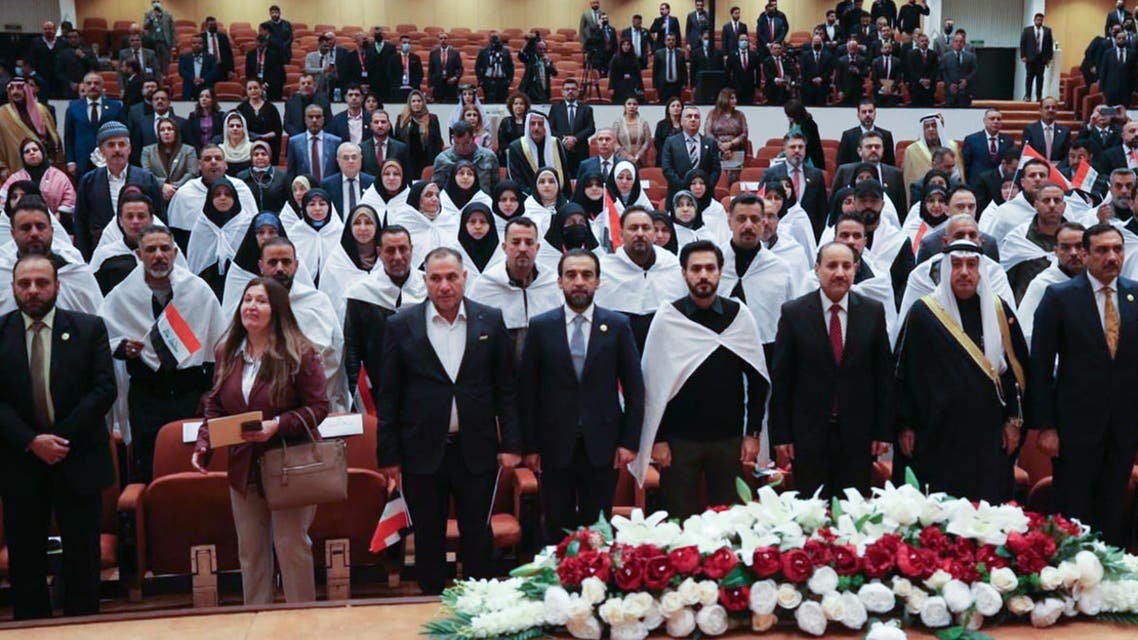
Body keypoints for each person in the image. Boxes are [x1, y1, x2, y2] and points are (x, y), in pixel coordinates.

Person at [377, 246, 520, 595]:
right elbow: (389, 396)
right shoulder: (400, 324)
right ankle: (430, 605)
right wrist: (389, 456)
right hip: (420, 451)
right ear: (424, 281)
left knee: (477, 533)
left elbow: (506, 389)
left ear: (464, 277)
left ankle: (479, 607)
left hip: (477, 448)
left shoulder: (491, 320)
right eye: (436, 278)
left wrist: (512, 443)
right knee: (427, 535)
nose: (444, 286)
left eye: (451, 277)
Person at [192, 276, 327, 605]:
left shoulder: (300, 352)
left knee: (291, 547)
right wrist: (204, 443)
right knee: (251, 553)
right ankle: (257, 620)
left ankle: (302, 621)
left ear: (277, 309)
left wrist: (277, 425)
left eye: (261, 301)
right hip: (244, 464)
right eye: (247, 299)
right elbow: (215, 404)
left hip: (289, 463)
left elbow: (319, 407)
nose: (251, 306)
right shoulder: (227, 351)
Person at [0, 252, 115, 620]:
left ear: (57, 286)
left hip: (76, 456)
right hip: (20, 460)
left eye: (41, 282)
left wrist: (56, 440)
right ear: (13, 288)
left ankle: (84, 628)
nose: (33, 290)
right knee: (25, 558)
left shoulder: (89, 329)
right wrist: (33, 442)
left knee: (82, 556)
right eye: (25, 284)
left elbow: (103, 390)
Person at [630, 240, 768, 517]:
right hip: (678, 443)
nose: (703, 275)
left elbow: (758, 380)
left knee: (730, 522)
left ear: (720, 271)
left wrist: (752, 433)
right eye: (696, 269)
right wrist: (658, 439)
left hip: (729, 440)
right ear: (684, 273)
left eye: (710, 268)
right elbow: (652, 384)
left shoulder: (738, 316)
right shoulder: (668, 318)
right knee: (680, 521)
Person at [895, 240, 1028, 503]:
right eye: (956, 265)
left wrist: (1014, 421)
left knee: (985, 510)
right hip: (935, 433)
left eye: (971, 265)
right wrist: (904, 425)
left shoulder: (998, 310)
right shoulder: (924, 312)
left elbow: (1015, 372)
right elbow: (905, 374)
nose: (964, 272)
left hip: (987, 434)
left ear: (981, 271)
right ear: (946, 270)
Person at [1030, 223, 1138, 545]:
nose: (1112, 257)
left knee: (1113, 511)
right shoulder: (1060, 297)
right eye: (1102, 250)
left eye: (1117, 249)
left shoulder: (1135, 295)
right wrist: (1046, 426)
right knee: (1073, 515)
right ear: (1086, 254)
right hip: (1075, 430)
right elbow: (1040, 366)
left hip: (1123, 429)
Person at [100, 224, 224, 481]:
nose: (159, 255)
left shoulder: (197, 290)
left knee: (192, 464)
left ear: (175, 252)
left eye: (165, 248)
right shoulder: (122, 295)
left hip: (190, 393)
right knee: (149, 466)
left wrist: (210, 393)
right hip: (147, 394)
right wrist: (123, 348)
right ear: (139, 255)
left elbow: (218, 344)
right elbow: (104, 339)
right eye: (151, 250)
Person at [772, 245, 892, 497]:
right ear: (817, 269)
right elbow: (782, 380)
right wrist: (782, 435)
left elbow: (883, 377)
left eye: (846, 266)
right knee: (811, 511)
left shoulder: (872, 312)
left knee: (854, 510)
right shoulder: (794, 313)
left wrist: (882, 431)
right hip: (808, 435)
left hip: (858, 435)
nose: (840, 273)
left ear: (855, 270)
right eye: (832, 266)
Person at [595, 207, 686, 349]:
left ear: (654, 233)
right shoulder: (604, 270)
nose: (640, 233)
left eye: (646, 228)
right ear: (621, 234)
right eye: (633, 228)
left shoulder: (672, 265)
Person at [74, 122, 165, 260]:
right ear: (101, 151)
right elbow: (81, 222)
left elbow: (159, 217)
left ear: (129, 148)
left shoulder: (146, 179)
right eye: (111, 145)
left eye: (121, 144)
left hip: (141, 250)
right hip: (101, 251)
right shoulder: (89, 181)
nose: (117, 150)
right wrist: (84, 259)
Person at [1018, 222, 1086, 343]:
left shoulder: (1098, 280)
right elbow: (1026, 333)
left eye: (1079, 246)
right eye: (1066, 248)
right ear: (1056, 251)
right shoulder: (1042, 285)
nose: (1073, 253)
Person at [1000, 182, 1068, 302]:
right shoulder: (1019, 238)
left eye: (1057, 201)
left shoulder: (1076, 238)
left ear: (1064, 206)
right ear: (1036, 204)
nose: (1052, 205)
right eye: (1046, 200)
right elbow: (1004, 279)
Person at [763, 132, 826, 238]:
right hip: (779, 230)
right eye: (793, 147)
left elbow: (822, 209)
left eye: (800, 147)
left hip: (809, 231)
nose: (797, 150)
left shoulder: (816, 175)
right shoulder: (771, 173)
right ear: (784, 149)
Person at [64, 73, 125, 178]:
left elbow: (122, 135)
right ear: (84, 86)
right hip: (82, 161)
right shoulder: (73, 107)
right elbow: (69, 137)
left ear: (102, 86)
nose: (93, 86)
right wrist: (70, 161)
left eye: (96, 83)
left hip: (109, 158)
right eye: (89, 83)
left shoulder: (115, 107)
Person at [1, 139, 76, 222]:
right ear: (23, 157)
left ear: (42, 153)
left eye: (35, 149)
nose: (32, 153)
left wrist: (56, 218)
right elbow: (2, 199)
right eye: (27, 151)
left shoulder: (59, 176)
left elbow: (70, 199)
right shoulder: (16, 178)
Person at [0, 78, 61, 178]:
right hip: (15, 169)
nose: (15, 92)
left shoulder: (42, 110)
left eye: (19, 88)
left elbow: (53, 136)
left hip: (44, 166)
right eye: (12, 89)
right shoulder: (2, 114)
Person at [661, 106, 721, 201]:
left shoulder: (710, 143)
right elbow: (667, 169)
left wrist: (704, 186)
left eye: (696, 117)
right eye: (689, 116)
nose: (693, 119)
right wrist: (685, 187)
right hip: (678, 195)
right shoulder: (671, 142)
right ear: (681, 121)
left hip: (705, 196)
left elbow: (716, 169)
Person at [507, 111, 570, 199]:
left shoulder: (556, 143)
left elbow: (565, 175)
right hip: (529, 199)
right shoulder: (516, 147)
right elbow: (517, 180)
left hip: (557, 197)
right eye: (532, 124)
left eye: (540, 124)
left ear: (545, 128)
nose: (536, 128)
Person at [902, 113, 963, 203]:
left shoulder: (952, 146)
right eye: (927, 127)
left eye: (934, 126)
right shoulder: (912, 150)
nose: (931, 129)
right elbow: (908, 180)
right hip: (921, 195)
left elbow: (959, 174)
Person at [432, 120, 499, 196]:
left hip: (482, 200)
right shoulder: (443, 159)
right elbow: (436, 189)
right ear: (453, 138)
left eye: (466, 143)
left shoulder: (488, 156)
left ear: (473, 138)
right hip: (451, 201)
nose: (461, 148)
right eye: (457, 143)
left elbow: (496, 188)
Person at [141, 116, 199, 201]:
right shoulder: (147, 151)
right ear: (158, 134)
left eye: (169, 129)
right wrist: (163, 185)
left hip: (183, 194)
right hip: (156, 195)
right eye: (162, 130)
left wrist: (174, 188)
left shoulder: (189, 150)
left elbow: (192, 173)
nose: (166, 132)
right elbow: (146, 174)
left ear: (176, 132)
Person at [548, 79, 595, 177]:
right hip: (561, 150)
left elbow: (591, 128)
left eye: (573, 89)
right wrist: (563, 139)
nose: (570, 91)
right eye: (567, 89)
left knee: (582, 179)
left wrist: (575, 138)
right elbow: (550, 128)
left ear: (578, 91)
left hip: (581, 151)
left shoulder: (586, 109)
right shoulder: (555, 108)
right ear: (562, 92)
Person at [394, 90, 442, 182]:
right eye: (413, 101)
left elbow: (437, 142)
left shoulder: (432, 119)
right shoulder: (402, 119)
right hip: (408, 161)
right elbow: (397, 140)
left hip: (427, 160)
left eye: (419, 101)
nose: (416, 103)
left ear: (423, 102)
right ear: (409, 103)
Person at [287, 105, 341, 183]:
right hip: (304, 188)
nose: (314, 120)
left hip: (329, 188)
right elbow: (291, 172)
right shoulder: (294, 142)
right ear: (305, 119)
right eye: (310, 117)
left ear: (323, 119)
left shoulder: (335, 142)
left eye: (318, 117)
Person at [962, 109, 1015, 186]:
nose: (996, 121)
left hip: (1000, 183)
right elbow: (966, 165)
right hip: (978, 183)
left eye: (998, 119)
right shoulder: (972, 139)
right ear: (985, 121)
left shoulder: (1008, 141)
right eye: (992, 119)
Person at [236, 78, 283, 164]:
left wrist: (267, 135)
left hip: (268, 145)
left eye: (255, 88)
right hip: (247, 147)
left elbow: (278, 129)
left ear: (261, 89)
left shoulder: (271, 108)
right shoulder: (241, 108)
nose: (253, 91)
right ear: (246, 91)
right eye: (250, 88)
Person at [321, 142, 373, 217]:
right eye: (346, 158)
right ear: (338, 161)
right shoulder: (327, 185)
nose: (350, 161)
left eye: (354, 157)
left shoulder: (371, 183)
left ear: (361, 159)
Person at [360, 111, 410, 180]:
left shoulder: (401, 148)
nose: (380, 125)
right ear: (371, 126)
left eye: (383, 122)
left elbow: (406, 174)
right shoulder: (362, 148)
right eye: (376, 122)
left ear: (389, 125)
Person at [1022, 98, 1071, 164]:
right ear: (1040, 110)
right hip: (1037, 167)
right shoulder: (1030, 130)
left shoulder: (1065, 132)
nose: (1050, 110)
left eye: (1053, 108)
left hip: (1058, 168)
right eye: (1047, 107)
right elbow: (1026, 155)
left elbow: (1067, 156)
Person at [282, 73, 332, 138]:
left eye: (309, 83)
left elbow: (329, 122)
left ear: (314, 86)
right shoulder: (291, 102)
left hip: (319, 138)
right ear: (299, 87)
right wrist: (300, 137)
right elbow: (287, 124)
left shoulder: (324, 101)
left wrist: (318, 135)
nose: (306, 85)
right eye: (303, 83)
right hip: (297, 138)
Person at [1020, 13, 1053, 102]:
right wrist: (1023, 55)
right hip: (1030, 58)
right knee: (1029, 77)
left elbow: (1050, 45)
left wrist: (1049, 58)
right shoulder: (1027, 30)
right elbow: (1023, 43)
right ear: (1034, 20)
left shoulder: (1047, 31)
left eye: (1041, 20)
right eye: (1038, 20)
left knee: (1040, 78)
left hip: (1041, 59)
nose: (1039, 21)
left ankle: (1039, 96)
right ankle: (1028, 95)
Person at [611, 96, 652, 168]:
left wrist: (638, 156)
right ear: (624, 106)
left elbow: (647, 141)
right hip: (622, 159)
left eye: (634, 104)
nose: (632, 106)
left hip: (640, 159)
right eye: (629, 104)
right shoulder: (618, 123)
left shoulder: (643, 122)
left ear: (637, 107)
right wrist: (627, 156)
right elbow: (614, 142)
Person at [939, 32, 977, 107]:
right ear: (952, 43)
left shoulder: (971, 57)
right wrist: (949, 84)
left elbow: (974, 71)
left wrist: (966, 80)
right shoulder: (945, 57)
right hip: (950, 92)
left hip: (965, 92)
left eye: (961, 41)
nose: (958, 43)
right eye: (956, 41)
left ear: (964, 43)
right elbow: (943, 72)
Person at [475, 32, 514, 103]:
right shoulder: (483, 51)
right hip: (488, 81)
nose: (495, 40)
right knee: (489, 102)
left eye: (496, 38)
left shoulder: (505, 51)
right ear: (489, 40)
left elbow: (511, 66)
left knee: (502, 102)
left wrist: (509, 80)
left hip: (502, 81)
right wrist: (481, 81)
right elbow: (477, 66)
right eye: (493, 38)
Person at [246, 33, 286, 102]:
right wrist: (256, 84)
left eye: (262, 42)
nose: (260, 44)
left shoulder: (274, 55)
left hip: (271, 85)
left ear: (266, 42)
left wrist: (266, 84)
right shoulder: (250, 54)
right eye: (259, 42)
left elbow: (277, 73)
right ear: (256, 42)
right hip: (255, 84)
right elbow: (248, 72)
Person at [177, 35, 218, 101]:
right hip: (189, 87)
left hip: (206, 87)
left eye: (199, 43)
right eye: (194, 43)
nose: (197, 45)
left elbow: (214, 71)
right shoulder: (184, 57)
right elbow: (181, 71)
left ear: (203, 45)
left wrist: (203, 79)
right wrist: (192, 78)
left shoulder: (210, 57)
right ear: (191, 44)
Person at [182, 87, 223, 154]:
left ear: (213, 100)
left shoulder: (220, 116)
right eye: (201, 96)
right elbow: (190, 135)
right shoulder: (193, 116)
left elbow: (220, 135)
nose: (204, 99)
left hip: (215, 150)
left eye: (207, 97)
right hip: (197, 150)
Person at [905, 31, 939, 107]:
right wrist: (921, 80)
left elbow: (935, 69)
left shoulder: (933, 54)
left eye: (926, 41)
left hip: (929, 87)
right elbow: (911, 70)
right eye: (922, 41)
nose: (924, 43)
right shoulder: (911, 54)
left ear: (929, 42)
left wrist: (929, 80)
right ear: (918, 42)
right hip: (916, 87)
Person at [428, 32, 463, 103]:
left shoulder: (455, 53)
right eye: (441, 38)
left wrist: (455, 77)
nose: (443, 40)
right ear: (438, 40)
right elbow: (431, 70)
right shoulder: (433, 53)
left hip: (451, 84)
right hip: (438, 85)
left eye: (445, 38)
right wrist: (430, 85)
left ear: (448, 40)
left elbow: (460, 68)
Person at [652, 33, 687, 103]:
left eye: (673, 40)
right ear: (665, 41)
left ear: (675, 41)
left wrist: (685, 83)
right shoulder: (659, 54)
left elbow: (684, 70)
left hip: (676, 85)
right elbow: (655, 71)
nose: (671, 41)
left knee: (676, 104)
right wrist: (655, 85)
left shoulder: (680, 54)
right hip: (663, 86)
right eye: (668, 40)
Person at [609, 39, 645, 104]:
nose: (626, 46)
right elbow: (612, 74)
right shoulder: (615, 58)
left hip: (631, 85)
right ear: (621, 46)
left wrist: (640, 87)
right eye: (624, 45)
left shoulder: (634, 58)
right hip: (618, 85)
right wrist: (611, 87)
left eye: (628, 45)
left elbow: (638, 74)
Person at [143, 0, 175, 73]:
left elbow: (172, 30)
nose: (156, 3)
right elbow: (145, 26)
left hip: (165, 42)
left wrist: (173, 45)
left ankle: (165, 75)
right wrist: (151, 18)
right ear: (152, 3)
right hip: (153, 43)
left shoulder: (168, 14)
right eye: (154, 1)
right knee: (154, 62)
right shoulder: (148, 14)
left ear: (161, 3)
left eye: (157, 1)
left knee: (165, 62)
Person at [219, 111, 253, 176]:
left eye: (238, 126)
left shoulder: (252, 148)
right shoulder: (220, 150)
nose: (235, 128)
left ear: (244, 129)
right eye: (231, 126)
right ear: (226, 129)